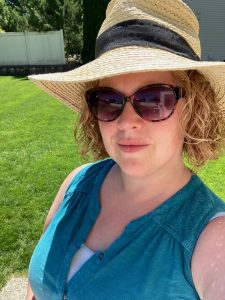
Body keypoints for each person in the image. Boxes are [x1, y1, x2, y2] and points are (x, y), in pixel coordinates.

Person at [26, 0, 225, 299]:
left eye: (154, 99)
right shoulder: (76, 182)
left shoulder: (209, 236)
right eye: (108, 100)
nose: (127, 122)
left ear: (193, 108)